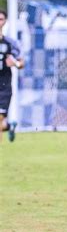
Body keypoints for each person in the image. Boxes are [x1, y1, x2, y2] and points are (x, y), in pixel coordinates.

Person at [0, 9, 24, 143]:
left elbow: (21, 63)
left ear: (5, 22)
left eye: (1, 19)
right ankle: (9, 126)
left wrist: (14, 63)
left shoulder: (10, 44)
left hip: (3, 87)